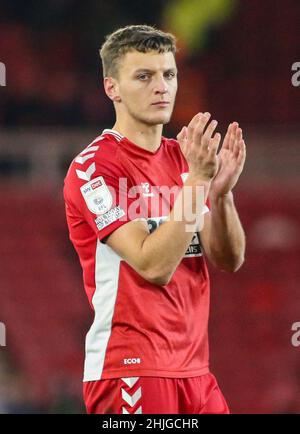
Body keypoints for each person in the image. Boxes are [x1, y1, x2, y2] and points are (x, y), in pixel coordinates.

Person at [63, 24, 246, 414]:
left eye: (169, 74)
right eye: (144, 76)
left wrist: (220, 194)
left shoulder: (184, 158)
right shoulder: (93, 169)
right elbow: (153, 265)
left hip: (195, 369)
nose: (161, 87)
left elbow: (229, 259)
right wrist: (198, 181)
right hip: (131, 369)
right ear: (112, 88)